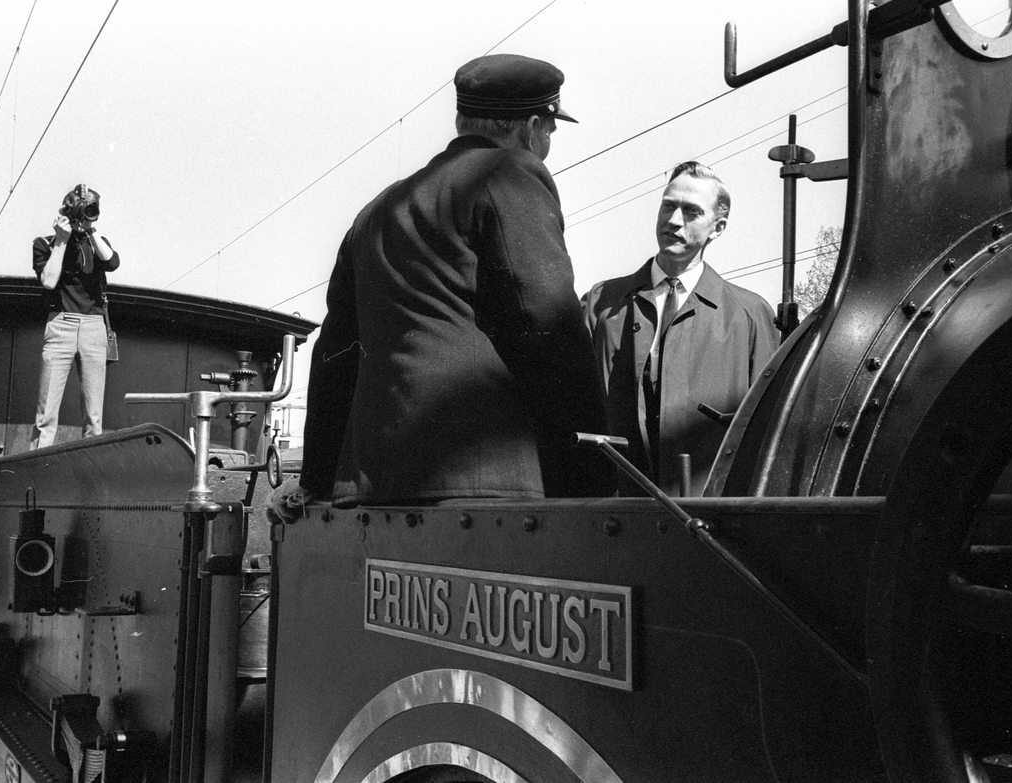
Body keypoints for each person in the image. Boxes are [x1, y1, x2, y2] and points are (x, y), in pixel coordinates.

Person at [293, 53, 615, 509]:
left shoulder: (375, 211)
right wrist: (596, 466)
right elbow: (550, 326)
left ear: (464, 119)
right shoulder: (509, 172)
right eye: (550, 129)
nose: (548, 141)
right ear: (531, 127)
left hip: (374, 486)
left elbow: (336, 354)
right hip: (482, 481)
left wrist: (317, 479)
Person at [582, 161, 778, 496]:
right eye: (668, 206)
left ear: (717, 228)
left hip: (705, 519)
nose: (674, 220)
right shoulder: (602, 303)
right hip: (613, 514)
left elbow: (767, 435)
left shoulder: (749, 316)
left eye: (690, 212)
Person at [30, 183, 120, 449]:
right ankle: (38, 464)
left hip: (94, 328)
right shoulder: (45, 244)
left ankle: (90, 469)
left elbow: (112, 262)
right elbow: (48, 281)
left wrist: (90, 230)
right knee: (46, 414)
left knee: (94, 417)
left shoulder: (95, 243)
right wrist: (61, 239)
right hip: (61, 325)